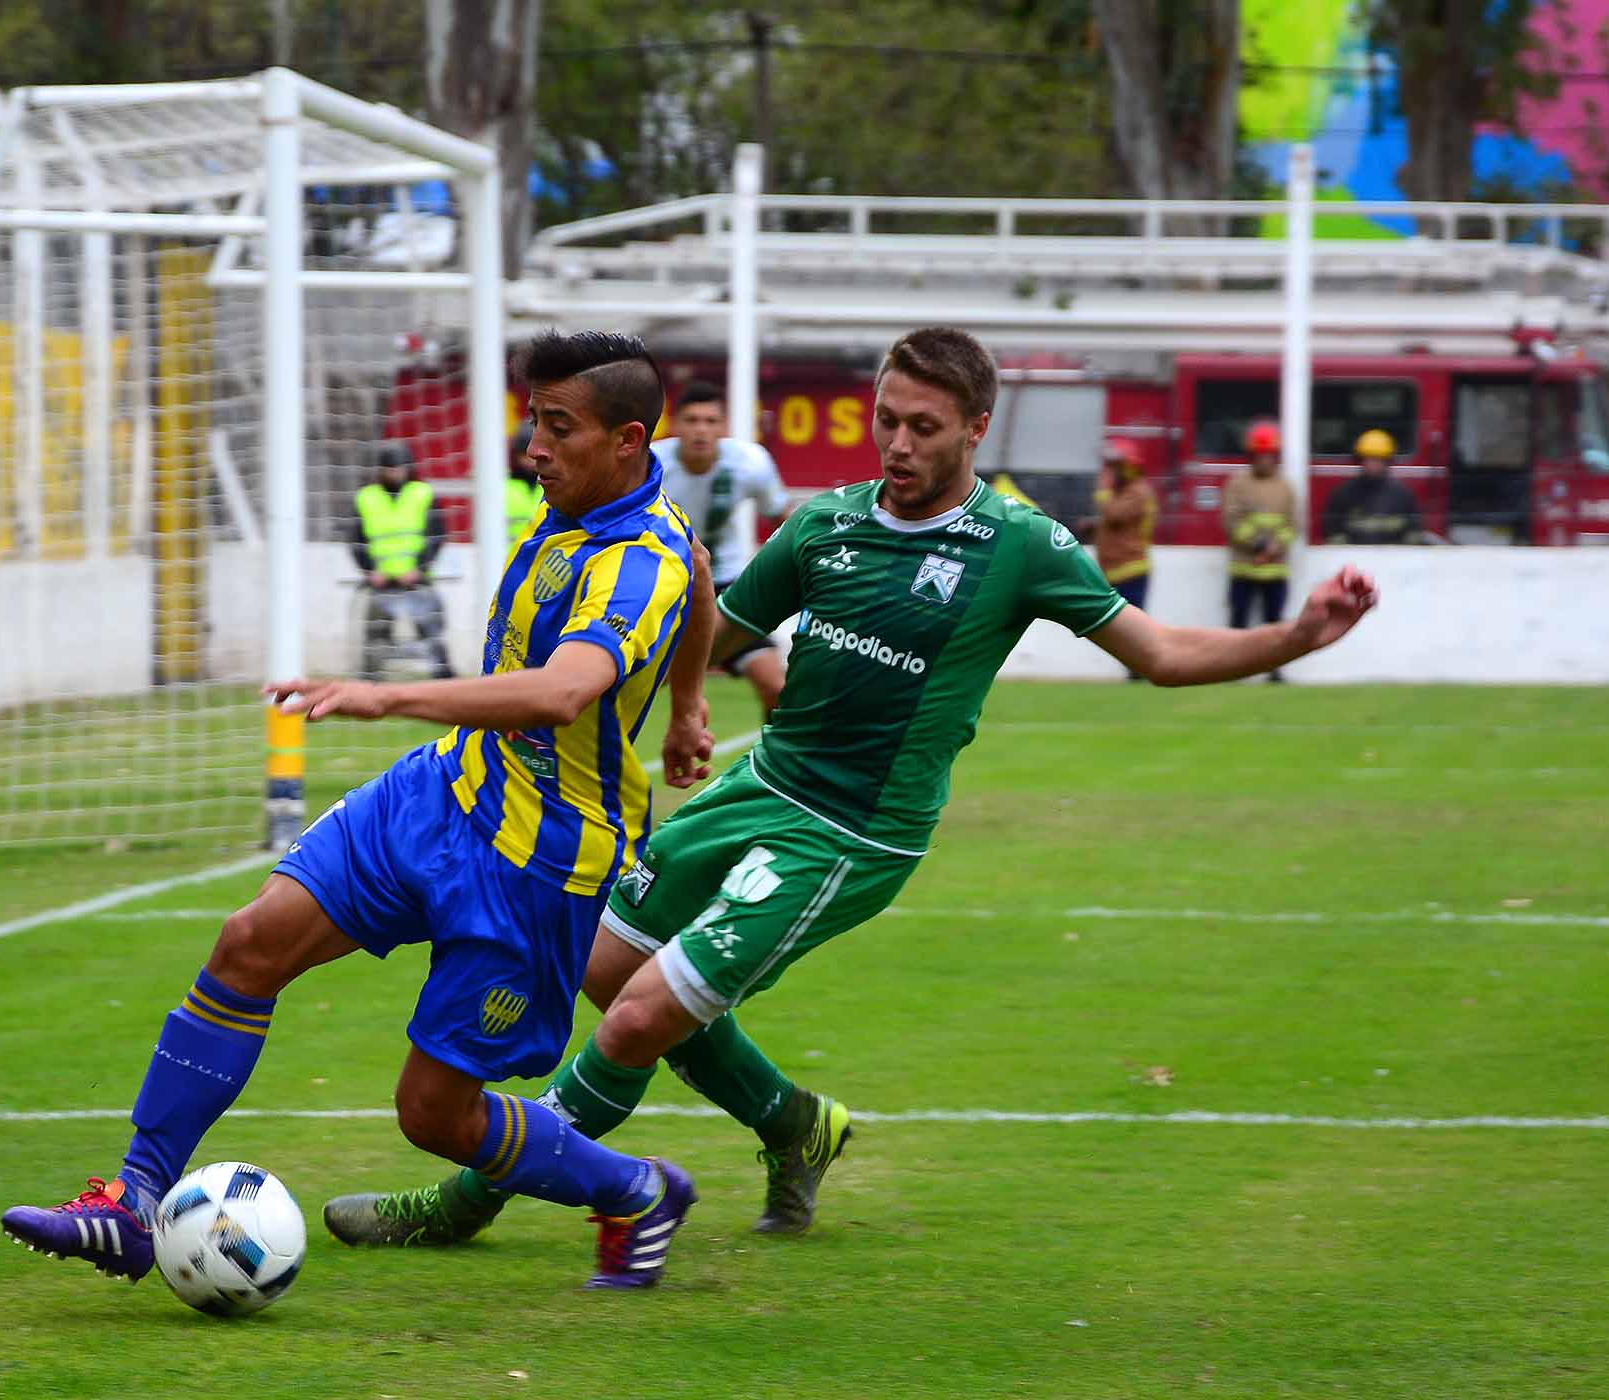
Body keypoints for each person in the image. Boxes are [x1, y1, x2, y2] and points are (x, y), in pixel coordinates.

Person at [325, 327, 1378, 1264]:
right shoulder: (826, 523)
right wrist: (691, 703)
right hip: (762, 785)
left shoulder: (1022, 545)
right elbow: (712, 614)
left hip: (852, 829)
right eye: (886, 419)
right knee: (604, 965)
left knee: (638, 1016)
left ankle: (463, 1201)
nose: (898, 443)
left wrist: (1297, 634)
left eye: (924, 425)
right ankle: (793, 1122)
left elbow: (1161, 651)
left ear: (976, 426)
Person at [0, 329, 723, 1291]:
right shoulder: (588, 504)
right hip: (439, 792)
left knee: (435, 1116)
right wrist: (687, 708)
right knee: (249, 941)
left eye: (558, 428)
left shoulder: (638, 559)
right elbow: (706, 574)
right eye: (531, 423)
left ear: (628, 440)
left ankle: (635, 1189)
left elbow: (562, 691)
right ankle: (135, 1205)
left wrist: (382, 694)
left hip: (536, 860)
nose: (533, 447)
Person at [650, 380, 793, 717]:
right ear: (675, 425)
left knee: (777, 688)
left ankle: (772, 767)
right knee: (635, 688)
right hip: (665, 586)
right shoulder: (650, 466)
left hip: (725, 587)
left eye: (711, 421)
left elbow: (783, 522)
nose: (701, 430)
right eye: (692, 420)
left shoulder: (750, 463)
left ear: (724, 427)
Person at [351, 440, 454, 680]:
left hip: (416, 581)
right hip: (381, 582)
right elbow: (356, 540)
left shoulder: (422, 494)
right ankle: (370, 681)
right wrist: (370, 570)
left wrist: (420, 568)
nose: (394, 473)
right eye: (389, 468)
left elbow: (436, 536)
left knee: (431, 631)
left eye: (397, 468)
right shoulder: (367, 497)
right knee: (375, 635)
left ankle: (444, 678)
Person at [1224, 419, 1298, 682]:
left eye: (1268, 455)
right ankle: (1230, 668)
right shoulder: (1237, 484)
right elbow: (1232, 522)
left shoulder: (1286, 487)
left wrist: (1277, 545)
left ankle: (1274, 669)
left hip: (1275, 569)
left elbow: (1293, 525)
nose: (1264, 460)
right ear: (1251, 455)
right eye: (1259, 454)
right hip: (1244, 567)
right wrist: (1258, 544)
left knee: (1275, 624)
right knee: (1237, 623)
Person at [1088, 438, 1157, 679]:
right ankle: (1134, 670)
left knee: (1134, 629)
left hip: (1132, 571)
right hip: (1115, 571)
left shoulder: (1138, 492)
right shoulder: (1124, 493)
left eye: (1114, 467)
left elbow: (1114, 514)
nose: (1109, 472)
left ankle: (1139, 670)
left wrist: (1104, 490)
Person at [1321, 429, 1425, 545]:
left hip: (1393, 559)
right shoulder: (1343, 494)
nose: (1372, 465)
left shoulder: (1403, 496)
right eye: (1368, 459)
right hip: (1355, 559)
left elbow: (1414, 533)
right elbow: (1333, 532)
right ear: (1360, 460)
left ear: (1387, 462)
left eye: (1377, 460)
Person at [504, 422, 544, 541]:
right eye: (525, 455)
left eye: (535, 456)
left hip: (543, 556)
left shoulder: (554, 486)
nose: (531, 461)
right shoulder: (502, 486)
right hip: (506, 556)